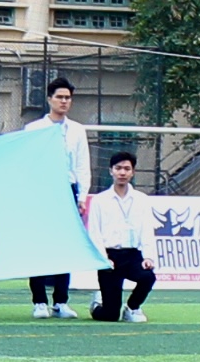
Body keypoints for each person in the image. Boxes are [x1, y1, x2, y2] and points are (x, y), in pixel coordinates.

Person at [21, 80, 91, 319]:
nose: (64, 101)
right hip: (41, 191)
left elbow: (82, 165)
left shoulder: (77, 130)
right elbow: (28, 163)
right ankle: (39, 301)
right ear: (49, 99)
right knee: (39, 246)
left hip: (67, 190)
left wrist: (82, 196)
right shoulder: (33, 128)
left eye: (68, 98)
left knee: (66, 246)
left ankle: (61, 301)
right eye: (60, 97)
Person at [86, 151, 157, 322]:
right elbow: (94, 232)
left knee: (148, 277)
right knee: (110, 315)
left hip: (132, 255)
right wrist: (103, 259)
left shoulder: (141, 200)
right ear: (111, 171)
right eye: (118, 168)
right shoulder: (100, 200)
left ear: (133, 172)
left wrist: (148, 257)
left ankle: (132, 308)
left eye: (127, 169)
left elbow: (147, 230)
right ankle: (97, 304)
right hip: (110, 256)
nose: (122, 173)